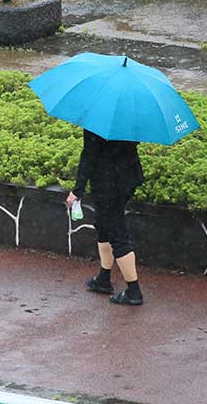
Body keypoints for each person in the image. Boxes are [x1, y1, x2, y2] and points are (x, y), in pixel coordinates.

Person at [66, 129, 145, 305]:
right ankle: (103, 278)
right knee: (103, 224)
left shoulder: (97, 121)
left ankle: (134, 291)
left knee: (117, 234)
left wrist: (77, 190)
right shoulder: (127, 117)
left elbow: (89, 155)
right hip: (126, 178)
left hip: (108, 183)